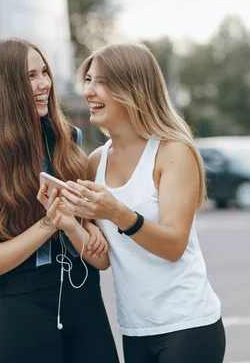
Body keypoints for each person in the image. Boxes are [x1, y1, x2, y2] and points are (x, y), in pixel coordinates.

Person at [0, 37, 119, 363]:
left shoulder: (68, 140)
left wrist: (90, 224)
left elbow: (90, 234)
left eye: (44, 72)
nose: (44, 83)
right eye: (31, 76)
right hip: (20, 310)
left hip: (84, 299)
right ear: (5, 87)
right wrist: (48, 223)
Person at [60, 43, 226, 363]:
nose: (89, 92)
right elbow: (105, 259)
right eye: (88, 81)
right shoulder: (96, 162)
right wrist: (69, 225)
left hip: (188, 326)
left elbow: (174, 245)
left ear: (131, 89)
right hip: (135, 330)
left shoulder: (173, 152)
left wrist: (117, 213)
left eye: (101, 82)